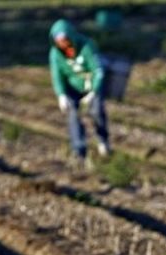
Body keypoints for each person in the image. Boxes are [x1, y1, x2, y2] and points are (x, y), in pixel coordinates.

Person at [49, 19, 111, 165]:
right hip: (73, 87)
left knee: (96, 112)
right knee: (73, 115)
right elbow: (56, 76)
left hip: (91, 85)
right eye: (59, 42)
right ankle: (79, 150)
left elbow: (98, 70)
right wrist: (61, 95)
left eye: (64, 40)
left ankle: (103, 141)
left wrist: (93, 92)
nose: (62, 44)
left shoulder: (86, 46)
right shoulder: (55, 54)